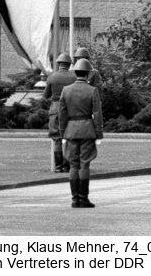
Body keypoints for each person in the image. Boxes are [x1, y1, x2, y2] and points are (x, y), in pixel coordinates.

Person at [59, 58, 104, 208]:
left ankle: (74, 199)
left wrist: (62, 134)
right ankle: (83, 198)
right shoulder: (92, 90)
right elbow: (97, 114)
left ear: (76, 72)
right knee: (84, 165)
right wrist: (99, 134)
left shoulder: (66, 90)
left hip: (71, 130)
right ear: (87, 73)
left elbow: (62, 115)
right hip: (87, 130)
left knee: (73, 165)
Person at [43, 52, 76, 172]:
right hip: (69, 109)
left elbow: (46, 95)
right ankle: (67, 165)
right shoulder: (74, 77)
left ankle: (58, 166)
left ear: (59, 63)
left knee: (56, 138)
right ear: (69, 64)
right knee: (69, 137)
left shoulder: (52, 76)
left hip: (55, 109)